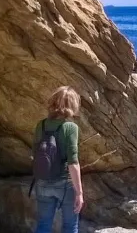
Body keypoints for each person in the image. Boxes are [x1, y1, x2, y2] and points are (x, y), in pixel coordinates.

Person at [31, 86, 84, 233]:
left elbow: (34, 154)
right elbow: (73, 162)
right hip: (65, 184)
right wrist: (79, 193)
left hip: (42, 182)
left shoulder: (40, 125)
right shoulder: (70, 127)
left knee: (43, 225)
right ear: (73, 105)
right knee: (70, 226)